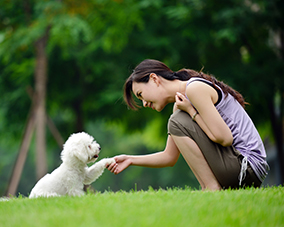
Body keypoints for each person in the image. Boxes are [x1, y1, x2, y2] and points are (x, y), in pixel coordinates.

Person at [107, 59, 269, 190]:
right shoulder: (181, 104)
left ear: (154, 79)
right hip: (238, 166)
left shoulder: (194, 89)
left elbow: (225, 138)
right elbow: (169, 157)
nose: (144, 103)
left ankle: (211, 188)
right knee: (177, 120)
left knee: (176, 121)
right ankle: (209, 188)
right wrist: (130, 159)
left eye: (141, 94)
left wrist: (192, 113)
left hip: (247, 169)